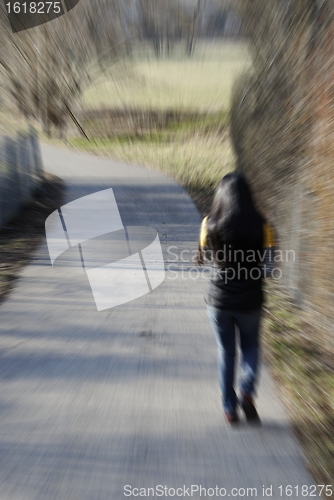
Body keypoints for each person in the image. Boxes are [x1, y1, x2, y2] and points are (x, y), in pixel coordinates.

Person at [197, 172, 276, 425]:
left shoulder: (209, 223)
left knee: (226, 352)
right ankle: (246, 390)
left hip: (219, 301)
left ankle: (229, 409)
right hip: (250, 301)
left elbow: (205, 257)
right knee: (251, 347)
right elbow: (269, 269)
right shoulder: (264, 227)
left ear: (220, 196)